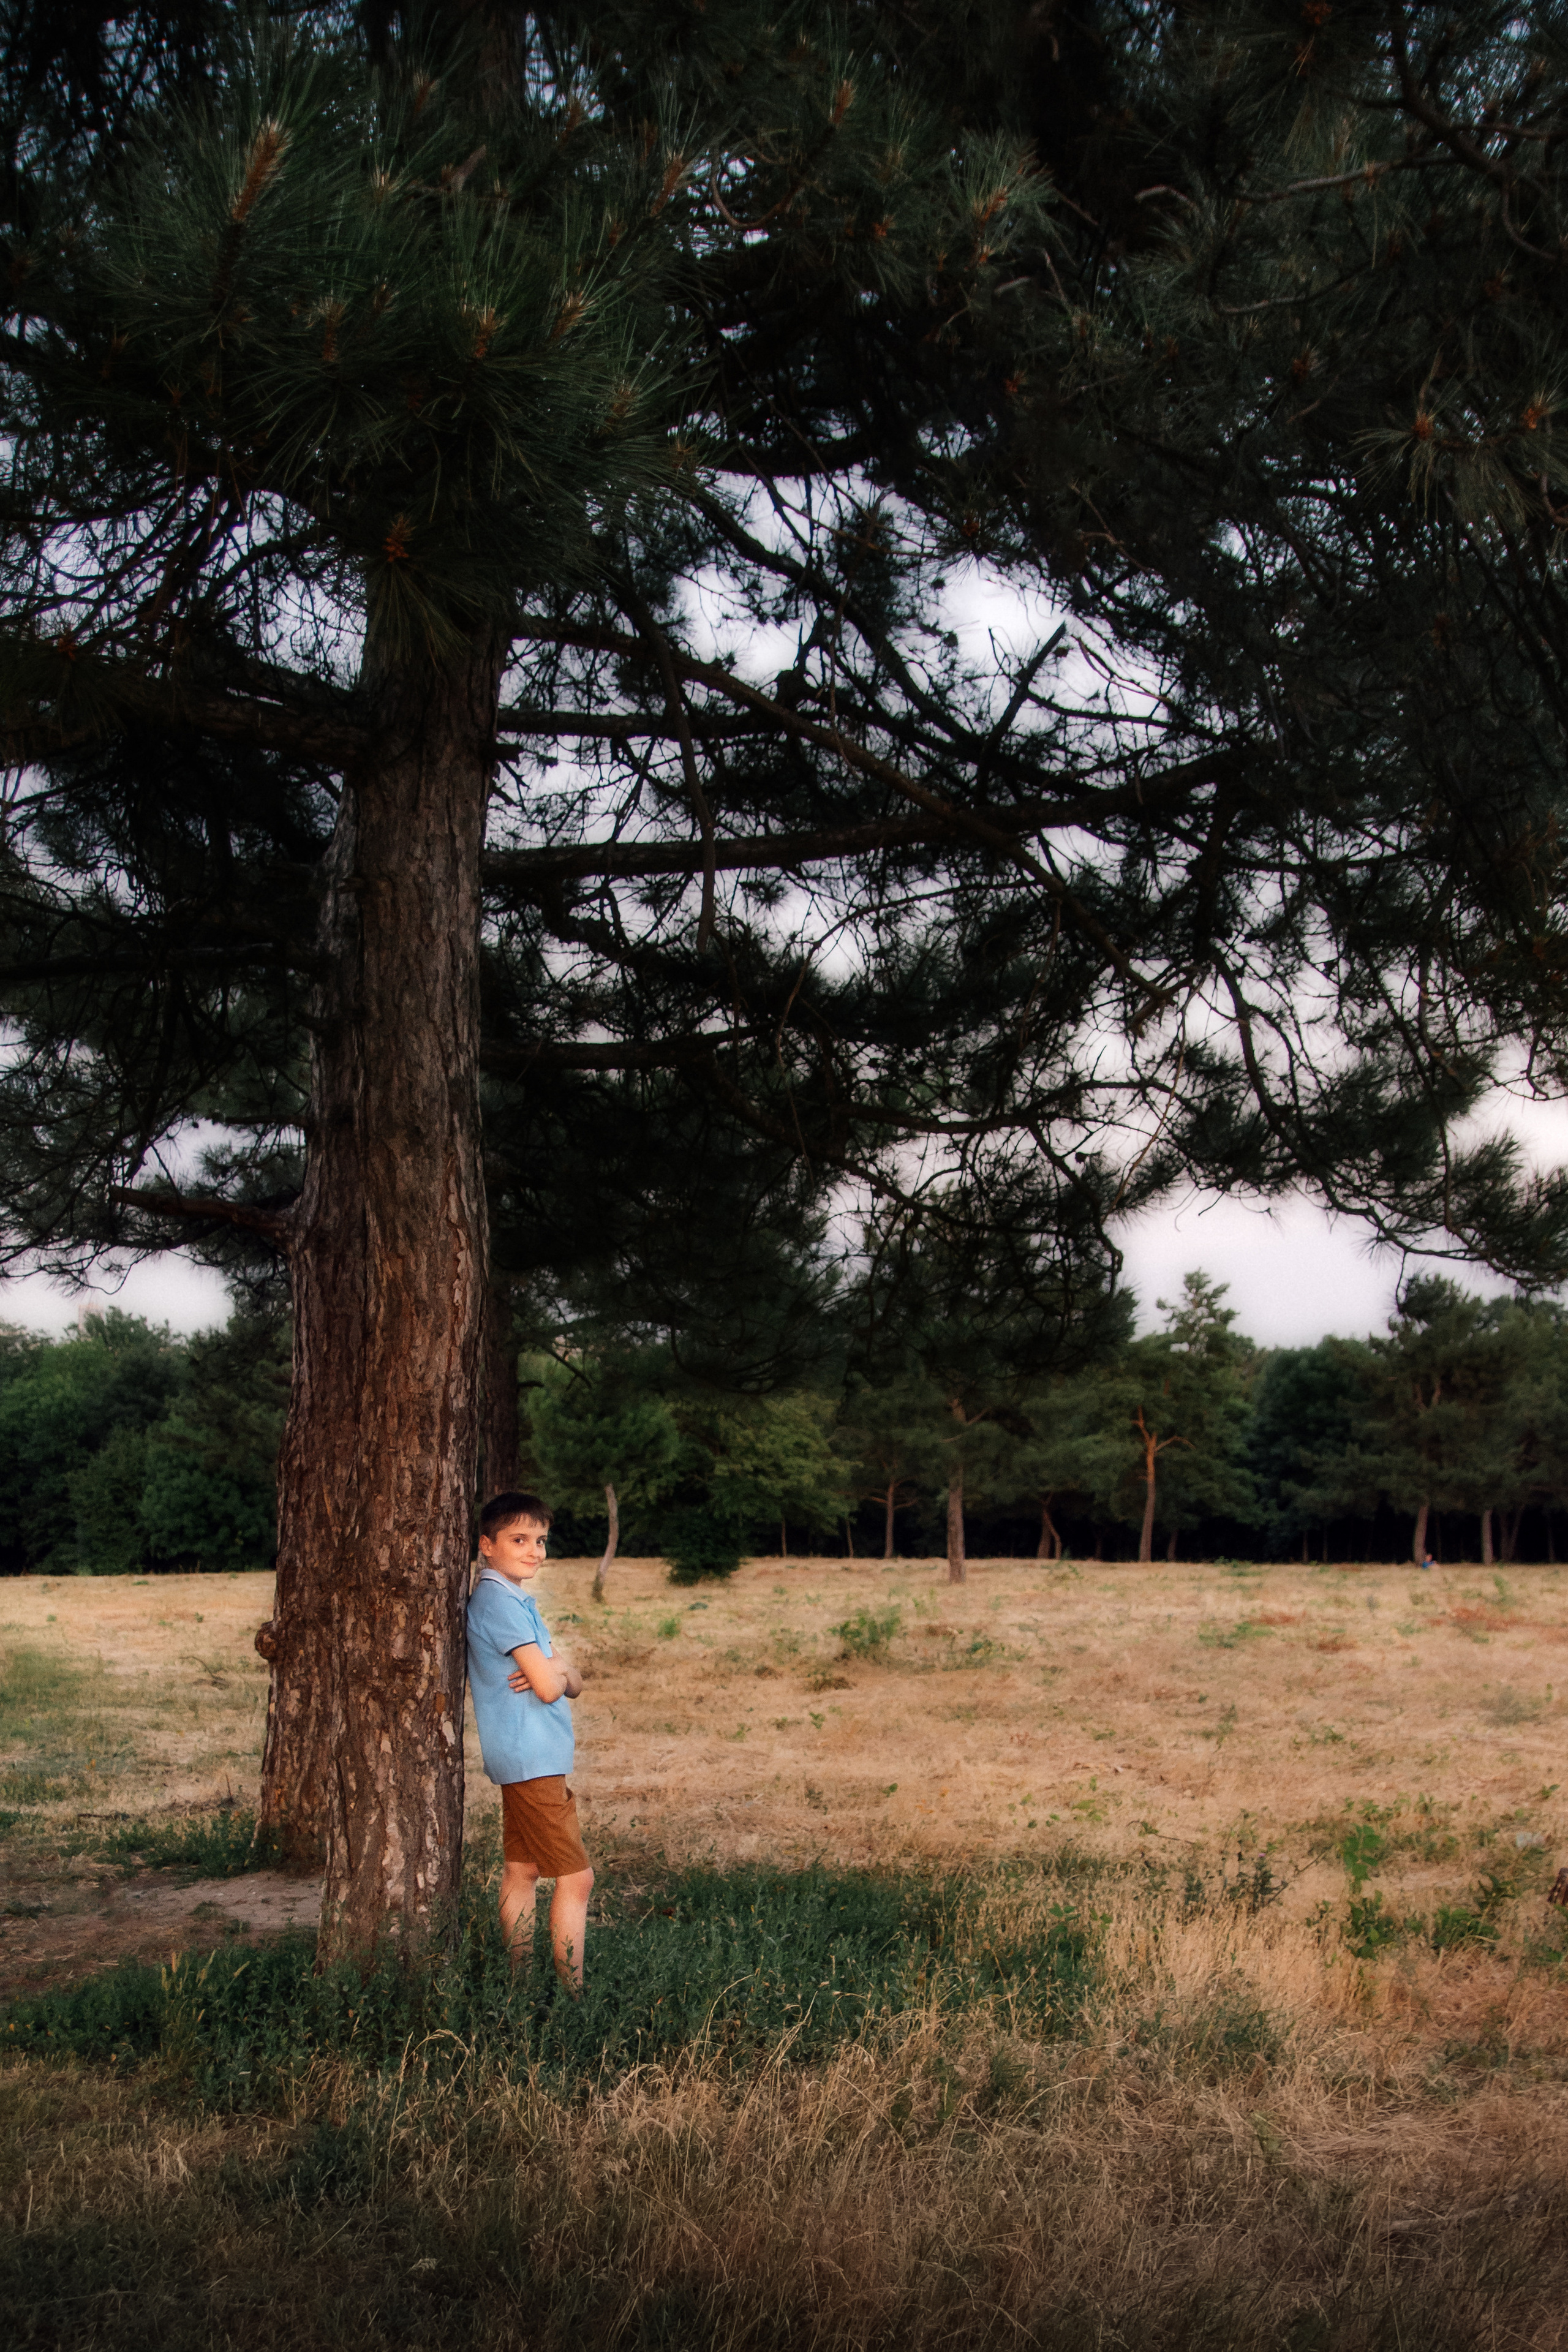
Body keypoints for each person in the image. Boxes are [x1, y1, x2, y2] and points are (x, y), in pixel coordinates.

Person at [466, 1489, 593, 1989]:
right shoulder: (498, 1601)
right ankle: (573, 1999)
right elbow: (548, 1686)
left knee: (522, 1869)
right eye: (519, 1539)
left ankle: (519, 1987)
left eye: (541, 1540)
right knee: (577, 1878)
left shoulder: (518, 1600)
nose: (534, 1551)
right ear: (486, 1544)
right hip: (530, 1757)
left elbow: (572, 1682)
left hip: (528, 1756)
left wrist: (559, 1669)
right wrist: (556, 1672)